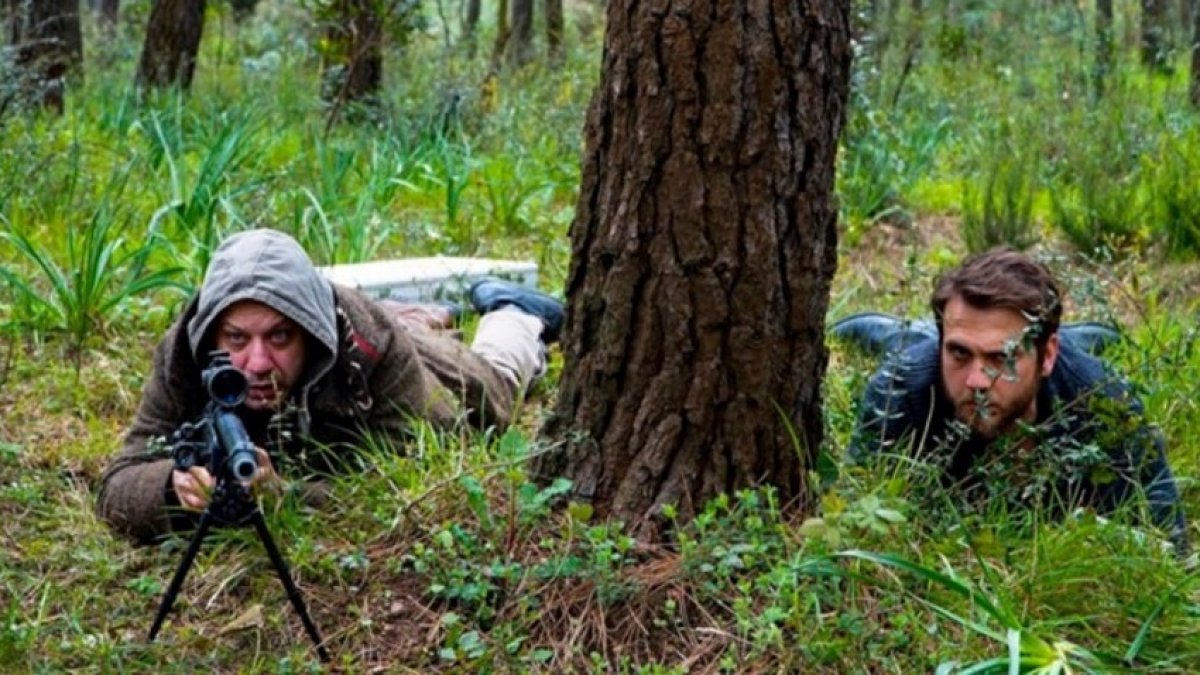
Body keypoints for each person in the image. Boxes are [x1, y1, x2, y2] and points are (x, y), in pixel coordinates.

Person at [96, 229, 564, 543]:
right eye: (237, 339)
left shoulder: (374, 347)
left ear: (309, 332)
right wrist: (171, 489)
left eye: (280, 336)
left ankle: (515, 312)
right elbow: (118, 481)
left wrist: (290, 497)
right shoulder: (184, 351)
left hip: (402, 358)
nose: (257, 363)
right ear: (212, 333)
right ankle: (426, 316)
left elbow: (419, 487)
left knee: (493, 387)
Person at [834, 248, 1188, 550]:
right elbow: (853, 519)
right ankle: (899, 331)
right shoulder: (898, 389)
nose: (976, 381)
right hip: (917, 351)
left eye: (1001, 359)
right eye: (959, 353)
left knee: (1079, 345)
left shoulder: (1106, 404)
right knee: (909, 344)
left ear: (1047, 356)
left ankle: (1085, 336)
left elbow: (1169, 544)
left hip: (1064, 359)